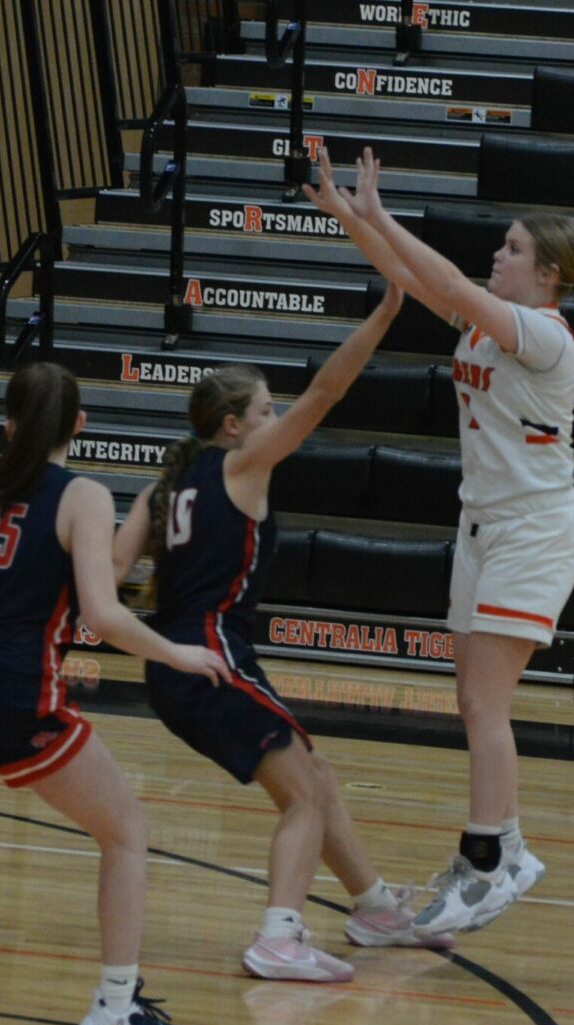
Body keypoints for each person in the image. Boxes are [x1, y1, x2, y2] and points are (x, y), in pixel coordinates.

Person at [302, 146, 574, 936]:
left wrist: (382, 213)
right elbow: (413, 279)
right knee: (472, 702)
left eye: (513, 248)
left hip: (533, 531)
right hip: (481, 526)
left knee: (486, 704)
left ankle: (486, 865)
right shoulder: (488, 330)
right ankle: (506, 849)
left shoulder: (546, 336)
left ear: (547, 273)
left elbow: (447, 282)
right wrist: (349, 214)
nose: (498, 254)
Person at [0, 362, 233, 1025]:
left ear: (7, 425)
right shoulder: (82, 496)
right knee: (125, 830)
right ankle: (115, 1007)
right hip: (15, 694)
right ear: (79, 425)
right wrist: (178, 653)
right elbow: (103, 615)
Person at [112, 287, 457, 983]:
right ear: (234, 426)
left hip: (176, 662)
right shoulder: (242, 465)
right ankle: (278, 938)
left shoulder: (160, 490)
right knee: (303, 795)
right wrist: (385, 315)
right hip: (212, 656)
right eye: (268, 410)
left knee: (314, 776)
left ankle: (374, 910)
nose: (277, 419)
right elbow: (326, 393)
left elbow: (108, 576)